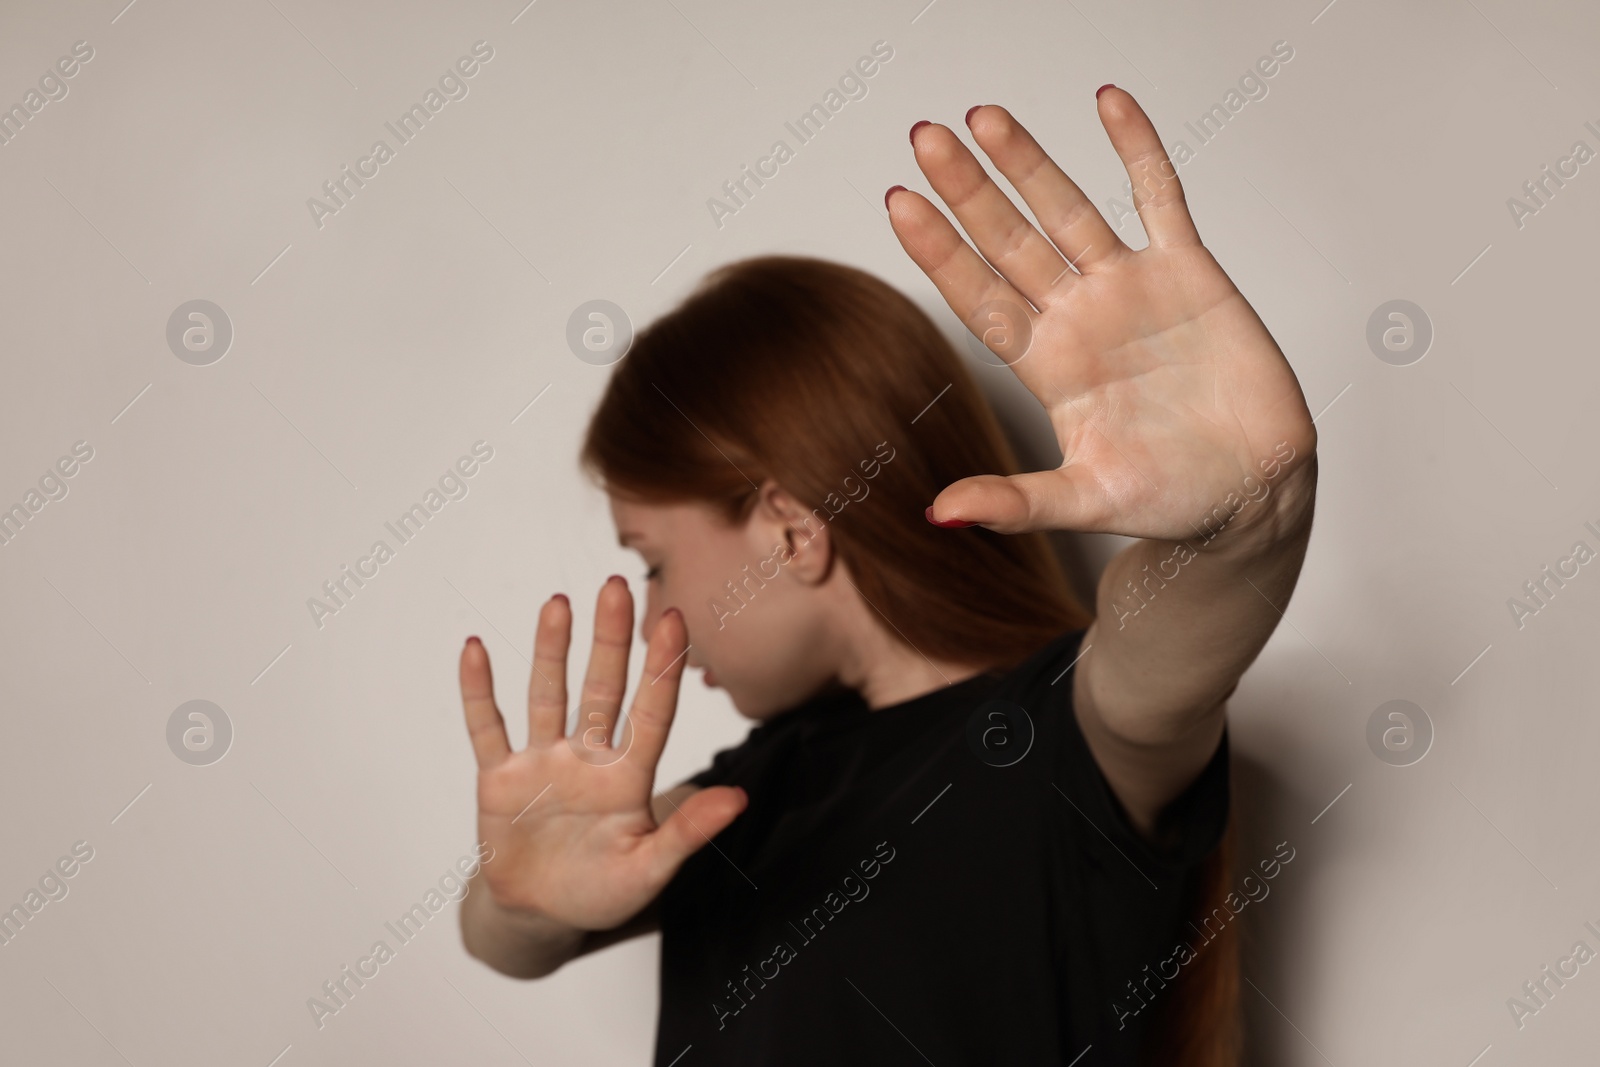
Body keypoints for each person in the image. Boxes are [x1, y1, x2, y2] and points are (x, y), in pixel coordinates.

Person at [456, 86, 1317, 1066]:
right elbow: (510, 935)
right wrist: (515, 900)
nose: (660, 616)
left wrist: (1249, 512)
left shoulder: (1051, 745)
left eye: (653, 562)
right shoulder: (766, 783)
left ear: (786, 527)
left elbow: (1161, 659)